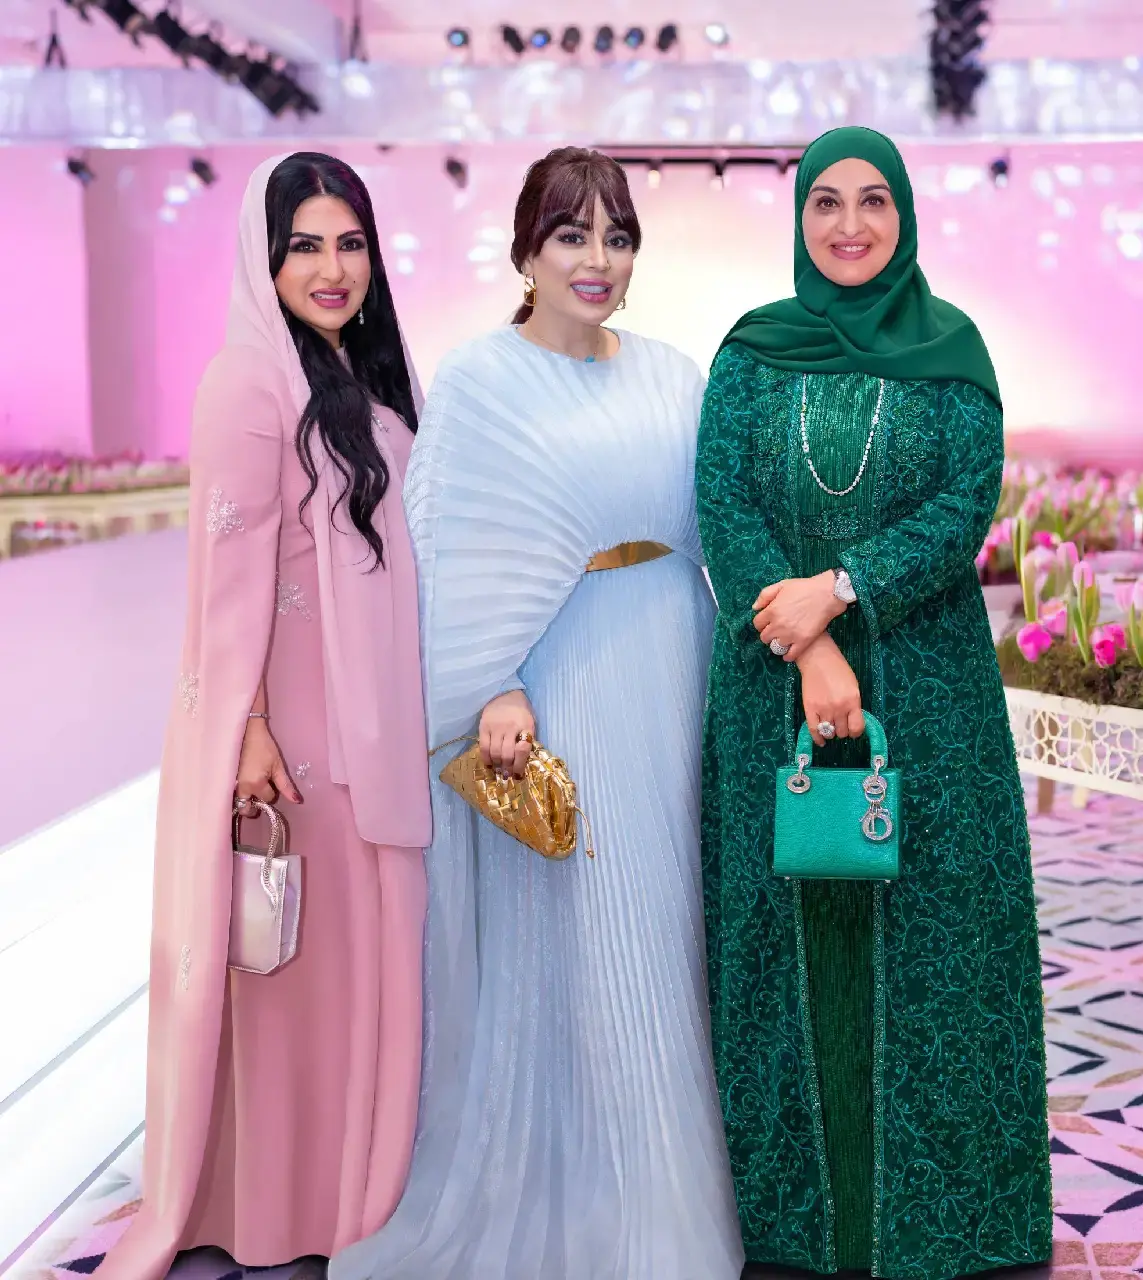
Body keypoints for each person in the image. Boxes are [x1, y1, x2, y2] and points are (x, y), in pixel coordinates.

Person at [331, 146, 743, 1280]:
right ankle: (595, 1205)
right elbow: (444, 545)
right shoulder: (479, 381)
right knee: (579, 937)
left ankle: (670, 1204)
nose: (596, 258)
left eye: (617, 235)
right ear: (526, 249)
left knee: (667, 927)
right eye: (571, 234)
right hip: (552, 687)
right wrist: (492, 683)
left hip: (671, 670)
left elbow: (713, 529)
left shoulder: (673, 374)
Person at [697, 127, 1052, 1279]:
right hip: (772, 685)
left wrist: (842, 588)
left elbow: (963, 506)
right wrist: (808, 643)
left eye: (873, 203)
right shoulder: (751, 353)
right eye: (827, 203)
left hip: (929, 689)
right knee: (782, 932)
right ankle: (793, 1223)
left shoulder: (953, 351)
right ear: (799, 216)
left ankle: (943, 1221)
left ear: (904, 216)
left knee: (934, 940)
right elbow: (721, 503)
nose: (849, 225)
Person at [97, 152, 431, 1279]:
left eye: (350, 243)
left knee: (350, 973)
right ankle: (276, 1207)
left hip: (373, 724)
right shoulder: (248, 384)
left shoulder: (367, 376)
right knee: (297, 977)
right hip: (297, 734)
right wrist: (245, 729)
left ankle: (347, 1196)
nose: (332, 269)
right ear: (265, 257)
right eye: (304, 247)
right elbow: (225, 584)